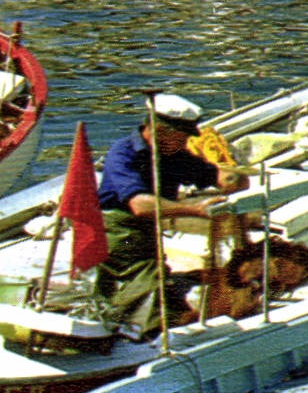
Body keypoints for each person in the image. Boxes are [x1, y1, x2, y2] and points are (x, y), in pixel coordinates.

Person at [94, 93, 247, 329]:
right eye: (181, 137)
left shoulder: (174, 155)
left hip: (147, 232)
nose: (185, 143)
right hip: (116, 233)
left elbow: (214, 175)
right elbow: (139, 205)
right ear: (159, 131)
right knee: (150, 298)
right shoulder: (123, 153)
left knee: (161, 278)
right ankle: (148, 338)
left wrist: (231, 178)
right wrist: (195, 209)